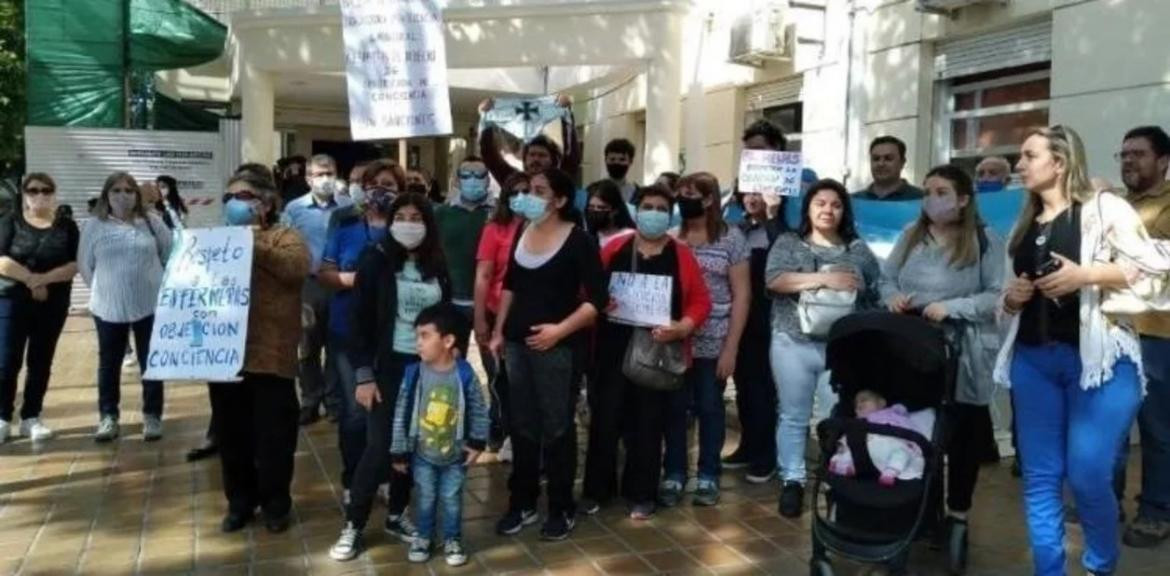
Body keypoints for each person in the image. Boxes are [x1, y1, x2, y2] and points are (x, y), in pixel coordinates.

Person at [996, 125, 1170, 576]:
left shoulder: (1102, 208)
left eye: (1029, 155)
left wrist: (1088, 275)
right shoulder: (1022, 224)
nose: (1019, 164)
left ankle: (1099, 566)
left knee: (1089, 473)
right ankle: (1049, 570)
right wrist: (1012, 298)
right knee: (1039, 478)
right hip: (1033, 361)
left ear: (1060, 161)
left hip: (1101, 362)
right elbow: (1004, 302)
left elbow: (1158, 268)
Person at [880, 164, 1003, 551]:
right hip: (912, 347)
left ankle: (958, 515)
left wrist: (952, 306)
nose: (931, 199)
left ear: (963, 199)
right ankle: (922, 511)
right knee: (917, 431)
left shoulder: (985, 240)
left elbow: (994, 295)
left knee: (961, 438)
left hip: (962, 351)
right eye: (927, 191)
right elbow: (886, 279)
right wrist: (891, 298)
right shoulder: (911, 236)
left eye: (941, 192)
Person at [329, 193, 452, 561]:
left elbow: (446, 313)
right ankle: (354, 524)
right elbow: (358, 322)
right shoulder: (376, 260)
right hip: (388, 367)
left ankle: (397, 514)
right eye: (402, 215)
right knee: (380, 448)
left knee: (412, 447)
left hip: (428, 368)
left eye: (417, 216)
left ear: (428, 224)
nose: (409, 223)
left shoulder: (436, 264)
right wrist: (364, 376)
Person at [488, 168, 607, 540]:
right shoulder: (524, 232)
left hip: (558, 349)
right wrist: (498, 331)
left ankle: (560, 507)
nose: (528, 196)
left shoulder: (579, 241)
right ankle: (521, 502)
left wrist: (559, 331)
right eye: (527, 190)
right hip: (517, 345)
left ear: (560, 200)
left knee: (557, 427)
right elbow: (510, 286)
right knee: (521, 425)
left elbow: (598, 301)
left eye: (539, 191)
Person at [582, 184, 711, 519]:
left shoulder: (682, 254)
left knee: (649, 422)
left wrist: (683, 326)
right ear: (635, 210)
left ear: (668, 215)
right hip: (612, 347)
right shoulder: (614, 247)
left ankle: (641, 493)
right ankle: (598, 490)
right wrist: (601, 301)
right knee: (605, 420)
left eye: (660, 209)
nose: (653, 213)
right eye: (647, 206)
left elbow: (700, 301)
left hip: (658, 352)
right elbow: (590, 288)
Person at [765, 178, 881, 518]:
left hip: (841, 348)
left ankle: (834, 480)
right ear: (808, 209)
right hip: (792, 342)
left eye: (835, 204)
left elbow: (874, 287)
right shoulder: (789, 243)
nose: (828, 209)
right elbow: (774, 280)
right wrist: (825, 279)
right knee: (792, 415)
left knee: (838, 416)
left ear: (844, 211)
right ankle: (792, 480)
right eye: (820, 203)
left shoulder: (857, 249)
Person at [213, 172, 310, 534]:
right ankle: (240, 502)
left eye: (244, 196)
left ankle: (275, 504)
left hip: (271, 355)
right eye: (230, 196)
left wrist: (251, 242)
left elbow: (296, 270)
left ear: (266, 204)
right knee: (232, 437)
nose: (235, 203)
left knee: (274, 439)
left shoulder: (286, 237)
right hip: (223, 355)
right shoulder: (214, 240)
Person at [660, 172, 750, 508]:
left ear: (710, 199)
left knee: (711, 409)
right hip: (675, 340)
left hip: (715, 339)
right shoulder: (671, 238)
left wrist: (732, 347)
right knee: (675, 409)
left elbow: (742, 295)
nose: (684, 198)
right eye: (680, 192)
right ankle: (674, 473)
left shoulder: (731, 239)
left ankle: (709, 475)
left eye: (691, 193)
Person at [319, 159, 403, 502]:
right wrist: (361, 281)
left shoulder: (406, 226)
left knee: (388, 409)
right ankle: (354, 478)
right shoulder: (345, 223)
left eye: (389, 184)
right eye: (373, 183)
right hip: (347, 332)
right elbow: (325, 274)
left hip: (394, 334)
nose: (380, 190)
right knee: (355, 412)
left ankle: (384, 474)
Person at [389, 303, 490, 566]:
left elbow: (479, 409)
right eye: (416, 337)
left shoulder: (465, 375)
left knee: (452, 498)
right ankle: (424, 537)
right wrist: (399, 450)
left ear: (447, 340)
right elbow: (401, 412)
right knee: (425, 497)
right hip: (423, 454)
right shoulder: (413, 374)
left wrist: (477, 442)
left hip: (455, 455)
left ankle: (453, 539)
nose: (417, 343)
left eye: (424, 336)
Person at [79, 172, 172, 442]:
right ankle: (108, 417)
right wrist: (106, 288)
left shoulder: (152, 222)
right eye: (117, 190)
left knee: (151, 363)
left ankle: (152, 415)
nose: (123, 196)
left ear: (137, 195)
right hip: (108, 307)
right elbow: (85, 265)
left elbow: (169, 253)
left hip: (149, 304)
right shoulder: (94, 226)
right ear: (106, 194)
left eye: (129, 190)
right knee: (109, 364)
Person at [723, 121, 788, 483]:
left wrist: (775, 215)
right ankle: (748, 445)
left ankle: (768, 453)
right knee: (746, 383)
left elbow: (791, 252)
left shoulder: (791, 208)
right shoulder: (740, 224)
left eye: (762, 148)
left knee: (766, 386)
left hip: (774, 316)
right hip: (742, 314)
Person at [1117, 125, 1170, 549]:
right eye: (1124, 155)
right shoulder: (1111, 205)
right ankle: (1105, 501)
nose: (1128, 161)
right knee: (1110, 427)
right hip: (1111, 331)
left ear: (1163, 161)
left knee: (1156, 430)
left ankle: (1156, 510)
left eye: (1138, 154)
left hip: (1158, 335)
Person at [0, 173, 79, 443]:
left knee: (40, 361)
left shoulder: (67, 226)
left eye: (46, 190)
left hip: (52, 302)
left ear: (54, 193)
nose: (40, 195)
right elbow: (1, 261)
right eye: (33, 190)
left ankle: (31, 417)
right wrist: (31, 280)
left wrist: (43, 280)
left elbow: (74, 264)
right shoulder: (10, 222)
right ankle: (2, 417)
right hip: (12, 300)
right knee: (7, 361)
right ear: (24, 194)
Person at [283, 154, 353, 426]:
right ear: (309, 178)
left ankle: (335, 402)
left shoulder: (348, 208)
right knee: (307, 347)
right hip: (309, 285)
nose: (326, 178)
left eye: (330, 172)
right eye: (320, 174)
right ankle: (311, 400)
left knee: (338, 346)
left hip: (339, 284)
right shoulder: (294, 209)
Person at [474, 173, 529, 452]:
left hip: (531, 316)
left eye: (527, 191)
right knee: (501, 379)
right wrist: (480, 318)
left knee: (524, 383)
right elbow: (484, 275)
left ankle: (519, 434)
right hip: (497, 314)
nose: (521, 197)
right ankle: (504, 430)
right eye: (515, 192)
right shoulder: (495, 229)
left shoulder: (542, 228)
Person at [435, 156, 494, 348]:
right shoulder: (442, 213)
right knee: (451, 363)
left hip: (489, 303)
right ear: (458, 180)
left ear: (487, 179)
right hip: (451, 302)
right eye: (467, 175)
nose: (473, 179)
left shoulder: (499, 212)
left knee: (494, 364)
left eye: (479, 175)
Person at [477, 95, 582, 186]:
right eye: (531, 155)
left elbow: (572, 155)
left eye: (542, 155)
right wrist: (487, 120)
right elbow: (489, 156)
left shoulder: (560, 181)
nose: (536, 159)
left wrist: (566, 115)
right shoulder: (513, 180)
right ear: (525, 158)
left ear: (553, 159)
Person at [827, 390, 926, 484]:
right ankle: (841, 465)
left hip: (890, 447)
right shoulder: (858, 422)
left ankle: (891, 471)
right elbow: (848, 437)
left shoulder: (892, 414)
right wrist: (842, 445)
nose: (859, 405)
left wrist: (913, 445)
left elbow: (909, 428)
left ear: (881, 403)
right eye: (856, 405)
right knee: (849, 447)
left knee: (902, 453)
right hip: (867, 448)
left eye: (864, 400)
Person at [854, 136, 925, 200]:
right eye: (876, 159)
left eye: (888, 158)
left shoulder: (920, 199)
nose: (881, 164)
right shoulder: (853, 201)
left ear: (902, 162)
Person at [583, 179, 635, 248]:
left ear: (615, 210)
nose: (595, 211)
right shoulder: (588, 239)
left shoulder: (630, 238)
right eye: (591, 207)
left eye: (601, 207)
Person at [603, 138, 638, 202]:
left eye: (622, 160)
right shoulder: (593, 190)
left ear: (631, 162)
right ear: (605, 160)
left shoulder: (637, 193)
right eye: (612, 159)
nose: (616, 163)